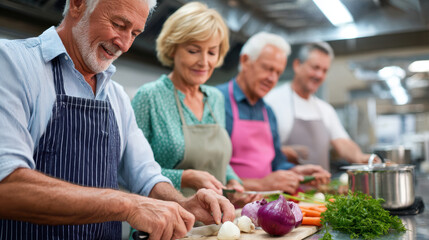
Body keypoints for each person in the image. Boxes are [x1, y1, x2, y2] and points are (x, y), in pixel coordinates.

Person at [0, 0, 235, 239]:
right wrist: (127, 205)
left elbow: (146, 176)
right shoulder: (13, 64)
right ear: (78, 4)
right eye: (118, 24)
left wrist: (183, 204)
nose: (124, 44)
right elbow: (7, 186)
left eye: (134, 33)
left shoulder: (116, 96)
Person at [131, 1, 245, 198]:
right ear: (173, 48)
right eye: (193, 50)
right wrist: (184, 177)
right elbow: (130, 171)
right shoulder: (149, 96)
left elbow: (218, 163)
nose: (204, 62)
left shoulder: (215, 99)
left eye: (211, 52)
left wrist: (233, 181)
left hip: (213, 224)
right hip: (163, 220)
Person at [217, 32, 331, 194]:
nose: (272, 78)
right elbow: (209, 172)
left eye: (278, 72)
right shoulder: (217, 101)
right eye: (268, 68)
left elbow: (276, 162)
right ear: (245, 61)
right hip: (227, 211)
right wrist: (261, 184)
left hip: (264, 207)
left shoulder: (268, 112)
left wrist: (296, 172)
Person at [265, 42, 373, 171]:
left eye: (324, 70)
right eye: (315, 68)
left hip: (321, 190)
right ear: (297, 65)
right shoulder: (271, 101)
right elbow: (259, 150)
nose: (319, 75)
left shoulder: (324, 109)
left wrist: (360, 157)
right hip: (283, 189)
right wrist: (282, 152)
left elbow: (342, 142)